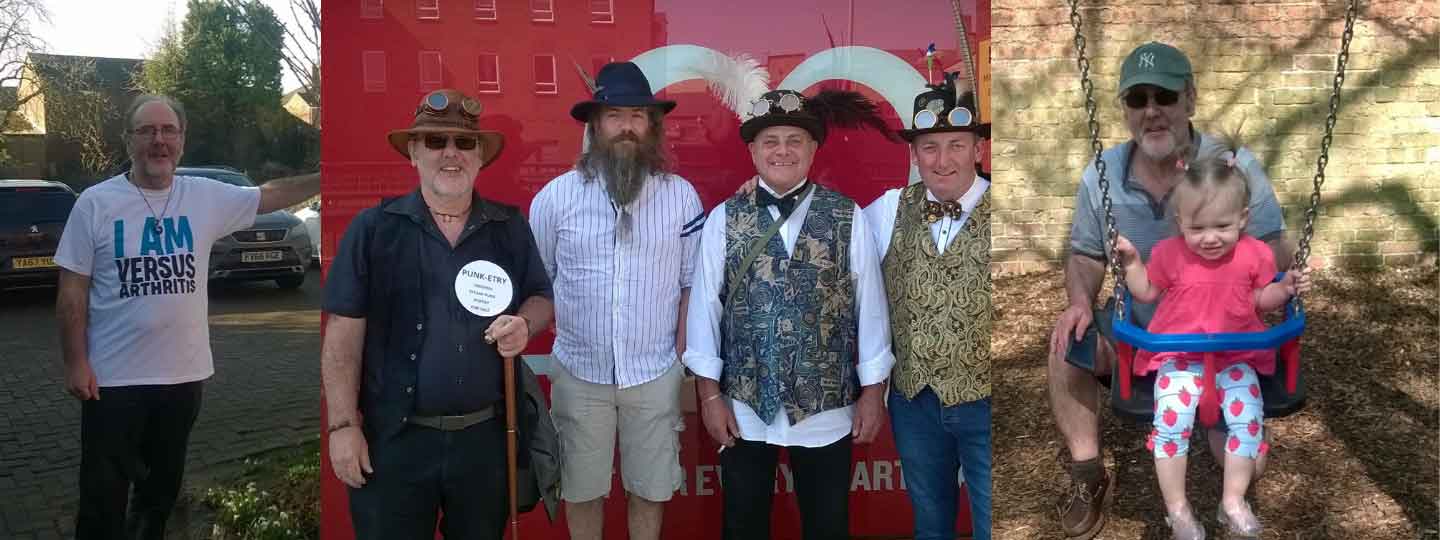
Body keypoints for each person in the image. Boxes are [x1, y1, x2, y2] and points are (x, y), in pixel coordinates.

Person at [1046, 42, 1291, 540]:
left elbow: (1273, 247)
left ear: (1191, 99)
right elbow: (1086, 255)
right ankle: (1089, 474)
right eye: (1138, 99)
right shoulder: (1103, 175)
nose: (1152, 110)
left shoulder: (1230, 167)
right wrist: (1078, 301)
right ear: (1126, 111)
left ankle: (1226, 465)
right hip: (1144, 337)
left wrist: (1250, 261)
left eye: (1165, 96)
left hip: (1225, 340)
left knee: (1246, 462)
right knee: (1065, 343)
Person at [54, 94, 319, 539]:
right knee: (102, 498)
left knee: (159, 495)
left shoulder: (204, 197)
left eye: (168, 131)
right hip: (113, 381)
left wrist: (327, 177)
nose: (159, 140)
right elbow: (71, 291)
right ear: (128, 140)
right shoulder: (96, 204)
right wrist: (76, 361)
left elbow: (270, 195)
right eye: (147, 131)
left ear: (181, 139)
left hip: (182, 378)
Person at [320, 89, 555, 540]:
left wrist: (526, 323)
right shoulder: (373, 230)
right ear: (414, 152)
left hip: (486, 442)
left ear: (480, 157)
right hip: (394, 442)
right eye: (435, 141)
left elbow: (542, 295)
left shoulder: (508, 227)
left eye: (465, 144)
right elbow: (343, 337)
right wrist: (343, 426)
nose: (451, 153)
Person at [684, 88, 895, 540]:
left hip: (826, 407)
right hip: (745, 404)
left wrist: (873, 392)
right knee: (742, 524)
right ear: (753, 151)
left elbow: (871, 311)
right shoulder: (725, 217)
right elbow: (704, 309)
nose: (783, 151)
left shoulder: (847, 215)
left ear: (813, 149)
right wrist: (709, 396)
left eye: (794, 140)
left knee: (828, 524)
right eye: (770, 141)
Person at [528, 61, 704, 540]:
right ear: (595, 124)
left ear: (652, 126)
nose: (626, 126)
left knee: (650, 488)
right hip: (579, 372)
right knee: (581, 490)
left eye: (637, 115)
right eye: (614, 115)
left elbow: (693, 285)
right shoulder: (555, 199)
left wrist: (683, 364)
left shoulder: (682, 198)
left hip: (654, 371)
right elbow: (539, 285)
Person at [1114, 142, 1311, 540]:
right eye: (1197, 228)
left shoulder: (1254, 255)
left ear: (1242, 218)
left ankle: (1233, 501)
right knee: (1170, 425)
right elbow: (1148, 292)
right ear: (1180, 222)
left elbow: (1261, 300)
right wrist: (1133, 265)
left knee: (1248, 422)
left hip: (1236, 355)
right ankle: (1178, 510)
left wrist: (1286, 288)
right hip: (1179, 355)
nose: (1209, 239)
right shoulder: (1170, 254)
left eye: (1221, 227)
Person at [863, 73, 993, 540]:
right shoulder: (886, 208)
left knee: (993, 525)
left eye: (956, 145)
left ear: (977, 148)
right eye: (929, 147)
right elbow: (830, 238)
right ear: (914, 154)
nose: (942, 160)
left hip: (989, 402)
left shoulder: (1012, 210)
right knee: (930, 526)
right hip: (915, 402)